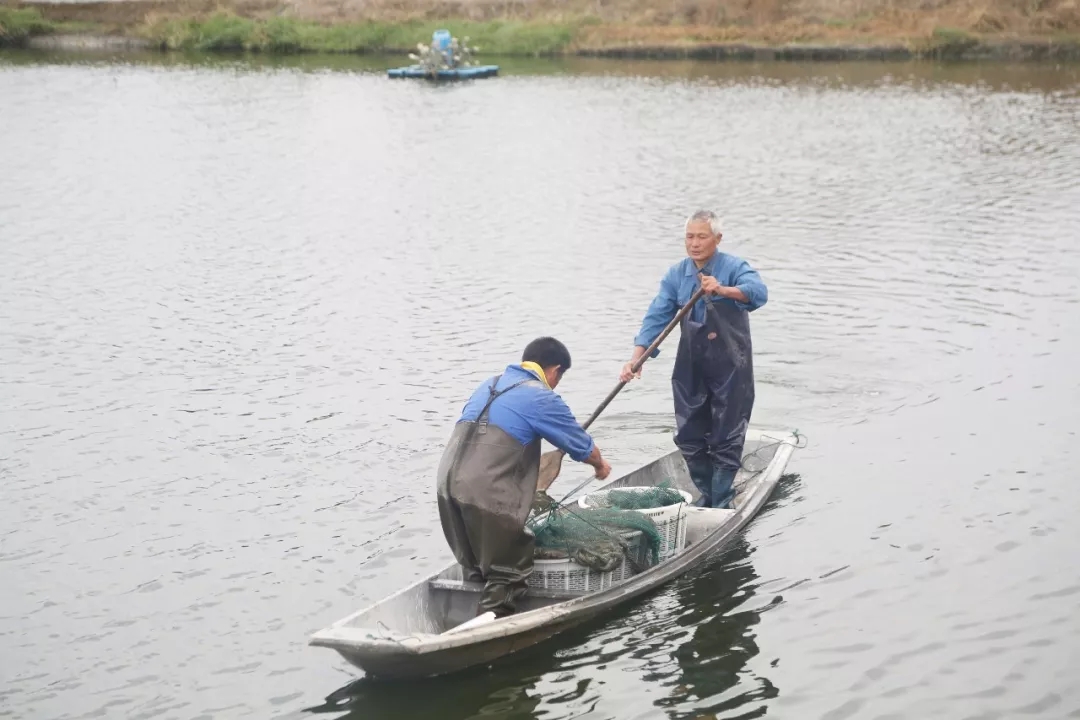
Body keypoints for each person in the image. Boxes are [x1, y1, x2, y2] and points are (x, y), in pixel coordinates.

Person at [437, 337, 612, 618]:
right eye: (559, 377)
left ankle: (464, 618)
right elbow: (581, 445)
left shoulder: (489, 384)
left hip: (446, 486)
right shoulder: (540, 396)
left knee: (475, 564)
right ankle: (488, 632)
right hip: (484, 492)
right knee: (509, 568)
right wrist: (600, 466)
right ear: (554, 371)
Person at [619, 211, 767, 509]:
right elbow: (657, 317)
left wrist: (722, 289)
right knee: (688, 435)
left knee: (726, 435)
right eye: (690, 236)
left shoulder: (734, 267)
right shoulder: (677, 275)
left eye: (702, 236)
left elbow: (759, 293)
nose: (694, 243)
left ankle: (721, 500)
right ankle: (709, 492)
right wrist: (637, 358)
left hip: (731, 366)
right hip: (692, 364)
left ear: (717, 239)